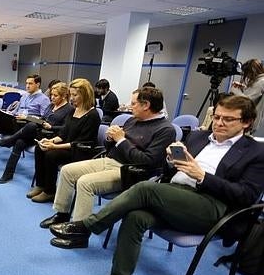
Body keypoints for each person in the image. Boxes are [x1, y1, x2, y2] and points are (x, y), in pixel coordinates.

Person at [48, 95, 264, 275]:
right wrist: (171, 161)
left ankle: (85, 227)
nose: (218, 123)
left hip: (211, 206)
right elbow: (168, 171)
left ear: (246, 122)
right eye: (216, 116)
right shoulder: (199, 136)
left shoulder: (255, 152)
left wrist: (202, 176)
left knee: (145, 188)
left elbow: (246, 196)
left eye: (227, 119)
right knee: (135, 216)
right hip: (174, 194)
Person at [39, 87, 175, 230]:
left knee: (85, 182)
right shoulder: (132, 121)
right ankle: (62, 214)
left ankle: (79, 230)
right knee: (67, 171)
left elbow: (147, 161)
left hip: (131, 172)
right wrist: (110, 139)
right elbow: (110, 148)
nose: (129, 106)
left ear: (146, 105)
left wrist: (121, 140)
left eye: (133, 103)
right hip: (110, 160)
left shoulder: (165, 130)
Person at [28, 79, 101, 203]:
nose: (71, 98)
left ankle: (50, 191)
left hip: (81, 151)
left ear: (85, 95)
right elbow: (64, 134)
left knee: (51, 155)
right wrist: (50, 140)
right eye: (71, 94)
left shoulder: (93, 115)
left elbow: (80, 143)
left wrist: (54, 147)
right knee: (39, 148)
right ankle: (41, 185)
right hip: (68, 147)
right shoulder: (73, 110)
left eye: (75, 95)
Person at [0, 82, 72, 184]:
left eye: (55, 96)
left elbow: (66, 128)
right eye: (51, 95)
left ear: (63, 96)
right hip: (40, 131)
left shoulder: (69, 110)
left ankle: (9, 141)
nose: (52, 98)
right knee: (20, 142)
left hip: (52, 136)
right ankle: (8, 173)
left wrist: (52, 127)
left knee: (30, 127)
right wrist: (38, 120)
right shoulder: (51, 106)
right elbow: (43, 118)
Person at [229, 59, 264, 134]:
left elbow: (247, 101)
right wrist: (243, 87)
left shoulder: (261, 81)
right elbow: (255, 93)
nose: (247, 76)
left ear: (251, 71)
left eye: (247, 73)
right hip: (249, 119)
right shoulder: (260, 80)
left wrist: (235, 90)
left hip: (248, 120)